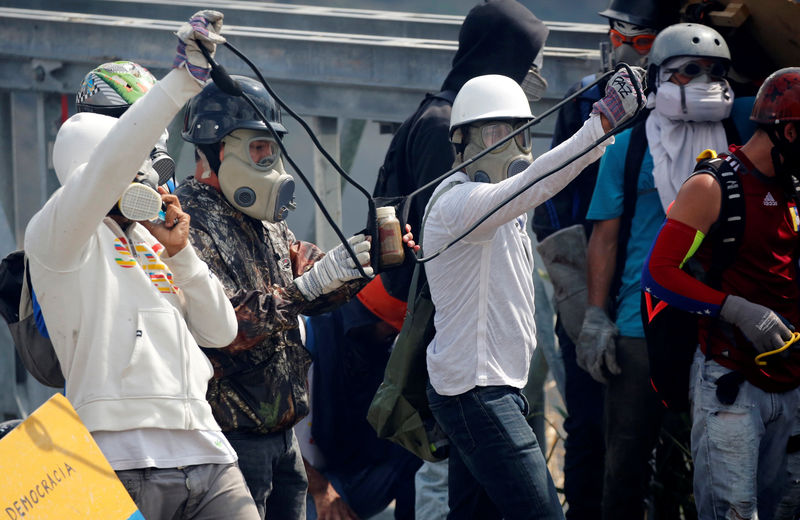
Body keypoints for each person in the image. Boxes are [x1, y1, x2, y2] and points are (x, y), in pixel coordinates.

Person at [23, 11, 261, 519]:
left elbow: (220, 330)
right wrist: (182, 81)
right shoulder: (56, 236)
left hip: (207, 450)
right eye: (146, 163)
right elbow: (104, 171)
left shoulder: (153, 243)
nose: (156, 179)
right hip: (114, 461)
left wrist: (184, 255)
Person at [177, 71, 419, 518]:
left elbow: (312, 278)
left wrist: (371, 257)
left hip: (282, 436)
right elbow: (228, 328)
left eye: (272, 148)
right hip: (228, 441)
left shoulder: (264, 220)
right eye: (258, 149)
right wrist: (306, 288)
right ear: (216, 149)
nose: (270, 162)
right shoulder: (186, 225)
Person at [422, 66, 644, 519]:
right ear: (462, 141)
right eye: (496, 132)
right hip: (477, 393)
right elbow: (536, 181)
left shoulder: (493, 206)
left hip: (488, 390)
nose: (512, 146)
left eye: (521, 133)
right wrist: (600, 126)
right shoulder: (461, 202)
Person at [371, 3, 549, 513]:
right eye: (528, 58)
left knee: (472, 493)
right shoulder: (447, 129)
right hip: (456, 345)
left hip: (463, 339)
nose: (535, 75)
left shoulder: (441, 114)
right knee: (450, 481)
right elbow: (443, 244)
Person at [578, 22, 751, 519]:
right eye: (687, 71)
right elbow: (605, 238)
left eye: (714, 71)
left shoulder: (741, 132)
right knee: (627, 464)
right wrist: (595, 316)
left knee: (707, 469)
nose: (703, 80)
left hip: (718, 325)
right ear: (657, 78)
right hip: (640, 325)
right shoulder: (628, 148)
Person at [530, 2, 678, 517]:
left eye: (639, 42)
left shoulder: (691, 113)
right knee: (590, 426)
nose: (622, 48)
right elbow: (550, 204)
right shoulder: (585, 102)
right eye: (617, 34)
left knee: (662, 439)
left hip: (660, 294)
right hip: (594, 284)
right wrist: (578, 302)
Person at [641, 67, 800, 520]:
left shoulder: (793, 189)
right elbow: (659, 273)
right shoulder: (713, 185)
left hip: (791, 382)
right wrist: (738, 310)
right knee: (734, 513)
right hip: (729, 381)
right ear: (788, 131)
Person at [301, 277, 422, 520]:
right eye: (389, 329)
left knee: (414, 452)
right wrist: (321, 490)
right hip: (300, 482)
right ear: (364, 321)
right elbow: (272, 442)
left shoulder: (376, 355)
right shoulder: (305, 341)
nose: (391, 336)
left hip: (347, 475)